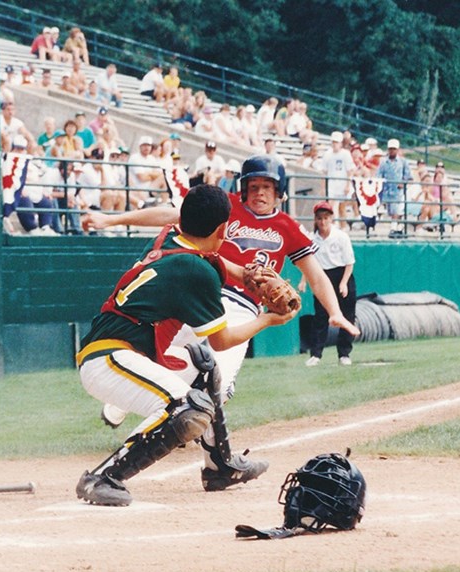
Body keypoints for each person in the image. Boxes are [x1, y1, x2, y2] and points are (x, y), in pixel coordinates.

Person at [81, 155, 359, 487]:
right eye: (253, 186)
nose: (259, 193)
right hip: (195, 296)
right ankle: (131, 431)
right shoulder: (220, 207)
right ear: (241, 191)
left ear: (280, 192)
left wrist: (335, 312)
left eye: (267, 187)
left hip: (234, 304)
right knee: (185, 384)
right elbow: (173, 216)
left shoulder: (286, 227)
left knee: (214, 380)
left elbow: (315, 275)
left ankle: (218, 465)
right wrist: (111, 221)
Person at [75, 184, 299, 506]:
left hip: (120, 351)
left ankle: (220, 466)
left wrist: (247, 277)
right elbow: (222, 341)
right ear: (223, 229)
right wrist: (268, 321)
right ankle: (104, 476)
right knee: (186, 408)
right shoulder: (197, 272)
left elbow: (216, 263)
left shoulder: (172, 238)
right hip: (110, 359)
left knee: (205, 369)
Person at [298, 202, 356, 366]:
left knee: (347, 316)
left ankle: (344, 354)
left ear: (331, 219)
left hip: (342, 274)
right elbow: (307, 261)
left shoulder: (341, 236)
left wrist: (344, 283)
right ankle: (316, 354)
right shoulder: (312, 238)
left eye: (326, 218)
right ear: (315, 220)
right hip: (323, 276)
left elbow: (350, 262)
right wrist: (304, 280)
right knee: (320, 317)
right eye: (319, 218)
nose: (323, 222)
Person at [319, 131, 355, 228]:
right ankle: (332, 226)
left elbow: (350, 171)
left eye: (337, 142)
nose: (335, 144)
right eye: (333, 142)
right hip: (331, 183)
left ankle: (343, 227)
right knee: (330, 206)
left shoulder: (345, 154)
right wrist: (323, 187)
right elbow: (324, 171)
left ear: (340, 143)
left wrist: (348, 184)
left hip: (342, 183)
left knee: (341, 207)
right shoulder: (327, 154)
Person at [375, 139, 411, 225]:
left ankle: (394, 226)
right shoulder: (383, 162)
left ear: (397, 150)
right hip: (385, 189)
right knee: (384, 208)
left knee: (395, 209)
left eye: (394, 149)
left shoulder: (403, 162)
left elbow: (408, 176)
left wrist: (403, 183)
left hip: (396, 190)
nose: (392, 151)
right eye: (390, 149)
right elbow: (378, 175)